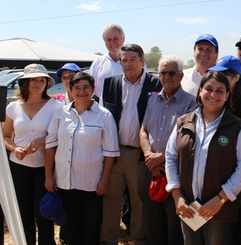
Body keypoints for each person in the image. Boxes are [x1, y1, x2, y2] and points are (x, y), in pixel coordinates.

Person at [165, 72, 241, 245]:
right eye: (209, 89)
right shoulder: (183, 122)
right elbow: (170, 156)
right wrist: (177, 197)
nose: (213, 95)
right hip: (188, 206)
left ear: (227, 96)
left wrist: (220, 199)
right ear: (200, 92)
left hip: (219, 210)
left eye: (220, 91)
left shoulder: (238, 127)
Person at [44, 72, 120, 245]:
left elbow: (110, 153)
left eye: (86, 87)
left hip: (91, 185)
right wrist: (49, 176)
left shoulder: (104, 115)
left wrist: (104, 181)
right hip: (65, 182)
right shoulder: (61, 113)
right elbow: (50, 146)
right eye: (77, 88)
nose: (81, 91)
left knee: (90, 229)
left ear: (93, 90)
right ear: (70, 90)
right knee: (70, 229)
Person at [101, 43, 161, 245]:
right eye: (123, 60)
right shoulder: (111, 83)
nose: (127, 64)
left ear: (142, 61)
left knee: (139, 200)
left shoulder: (155, 84)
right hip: (114, 152)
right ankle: (108, 239)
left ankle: (137, 239)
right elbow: (105, 118)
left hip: (140, 154)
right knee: (111, 199)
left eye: (132, 59)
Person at [139, 55, 196, 245]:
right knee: (152, 224)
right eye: (163, 73)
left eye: (171, 73)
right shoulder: (153, 100)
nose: (167, 77)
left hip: (174, 171)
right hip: (151, 170)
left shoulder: (191, 103)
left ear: (180, 76)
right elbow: (143, 130)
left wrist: (161, 159)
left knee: (173, 227)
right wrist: (148, 155)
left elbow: (188, 140)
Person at [2, 63, 61, 245]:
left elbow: (61, 136)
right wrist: (14, 148)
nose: (37, 83)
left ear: (46, 83)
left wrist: (43, 142)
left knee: (43, 213)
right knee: (23, 213)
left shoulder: (56, 106)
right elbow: (5, 136)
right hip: (18, 167)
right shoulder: (13, 107)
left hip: (44, 167)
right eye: (33, 79)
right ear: (25, 82)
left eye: (41, 79)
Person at [208, 55, 241, 244]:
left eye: (227, 74)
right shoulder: (215, 101)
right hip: (213, 174)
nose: (222, 77)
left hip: (236, 177)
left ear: (238, 77)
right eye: (219, 73)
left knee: (232, 227)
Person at [89, 24, 125, 99]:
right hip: (102, 108)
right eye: (108, 40)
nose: (112, 42)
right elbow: (90, 88)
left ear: (123, 39)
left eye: (115, 39)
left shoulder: (135, 61)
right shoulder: (98, 62)